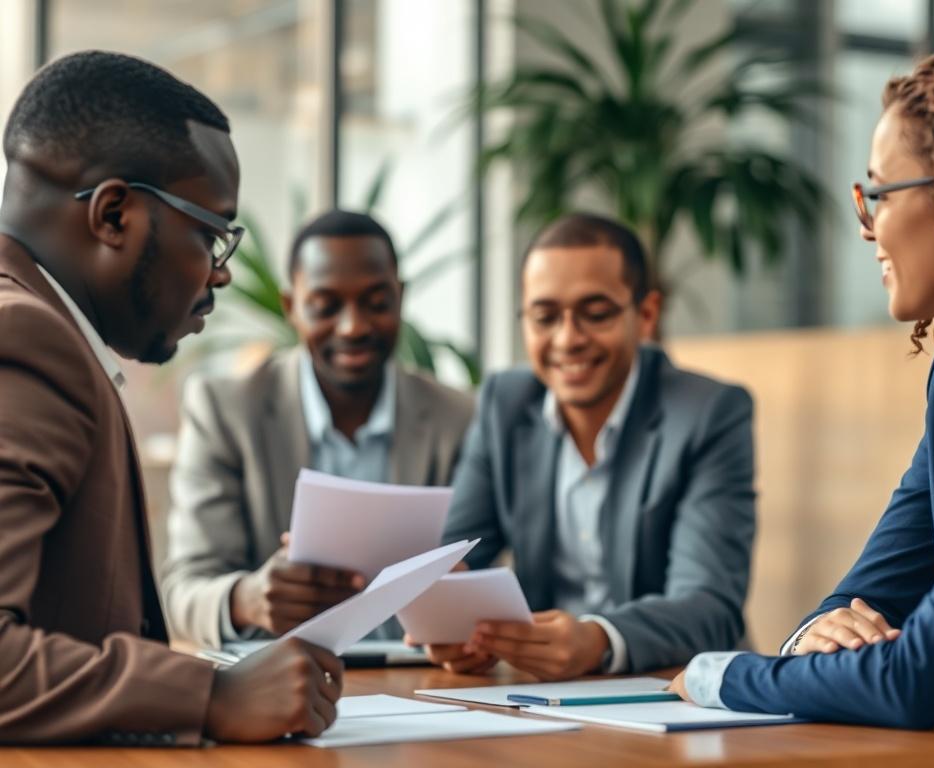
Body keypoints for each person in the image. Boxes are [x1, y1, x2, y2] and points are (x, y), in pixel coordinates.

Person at [672, 35, 934, 729]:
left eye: (880, 194)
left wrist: (719, 672)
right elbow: (864, 597)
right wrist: (813, 642)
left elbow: (917, 680)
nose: (867, 230)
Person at [0, 51, 341, 745]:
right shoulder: (26, 339)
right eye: (211, 235)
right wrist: (211, 695)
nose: (219, 276)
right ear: (114, 213)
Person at [421, 212, 756, 680]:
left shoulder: (709, 413)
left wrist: (599, 639)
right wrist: (456, 624)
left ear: (646, 315)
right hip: (538, 695)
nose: (568, 339)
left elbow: (709, 606)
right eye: (544, 317)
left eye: (595, 314)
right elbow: (457, 556)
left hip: (675, 687)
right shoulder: (505, 402)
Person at [161, 209, 474, 648]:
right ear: (292, 307)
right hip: (274, 679)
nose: (353, 326)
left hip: (421, 677)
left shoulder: (456, 417)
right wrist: (247, 599)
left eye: (377, 303)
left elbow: (489, 571)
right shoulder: (227, 411)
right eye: (326, 306)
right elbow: (183, 592)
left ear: (400, 298)